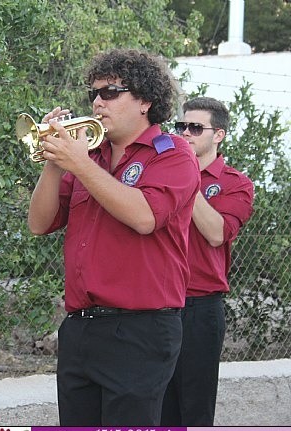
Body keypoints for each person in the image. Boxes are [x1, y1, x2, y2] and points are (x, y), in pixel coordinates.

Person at [27, 48, 200, 426]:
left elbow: (143, 217)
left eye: (110, 92)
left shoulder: (173, 155)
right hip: (81, 327)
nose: (97, 102)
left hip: (140, 329)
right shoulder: (92, 157)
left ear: (145, 101)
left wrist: (79, 163)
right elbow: (39, 224)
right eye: (93, 93)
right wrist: (54, 164)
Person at [161, 97, 254, 426]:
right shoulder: (162, 173)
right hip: (154, 306)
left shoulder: (235, 183)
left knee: (194, 412)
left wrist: (187, 180)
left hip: (198, 309)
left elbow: (217, 233)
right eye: (181, 126)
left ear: (219, 135)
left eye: (195, 128)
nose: (185, 133)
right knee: (155, 408)